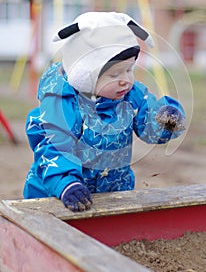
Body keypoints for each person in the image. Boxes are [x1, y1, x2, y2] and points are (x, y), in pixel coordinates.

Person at [24, 11, 186, 212]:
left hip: (112, 192)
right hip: (57, 196)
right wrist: (66, 184)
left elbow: (148, 120)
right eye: (114, 73)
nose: (125, 79)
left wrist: (164, 119)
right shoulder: (62, 102)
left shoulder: (130, 95)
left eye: (129, 69)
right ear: (85, 74)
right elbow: (54, 146)